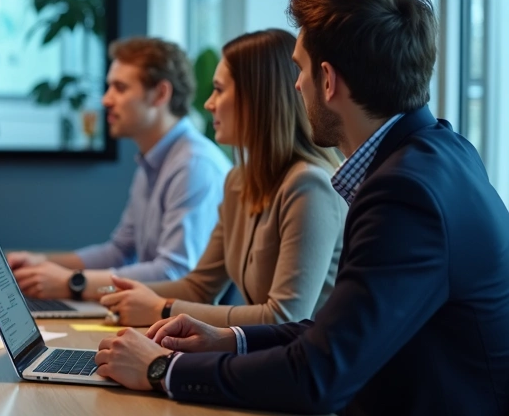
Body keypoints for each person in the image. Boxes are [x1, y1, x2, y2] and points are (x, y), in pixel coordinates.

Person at [93, 0, 509, 416]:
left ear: (328, 81)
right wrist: (229, 339)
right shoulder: (440, 151)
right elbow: (337, 328)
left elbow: (319, 374)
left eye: (301, 69)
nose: (295, 85)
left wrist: (165, 370)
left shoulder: (404, 191)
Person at [97, 29, 346, 327]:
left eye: (219, 90)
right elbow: (198, 287)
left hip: (306, 368)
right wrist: (113, 292)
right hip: (263, 358)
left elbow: (284, 317)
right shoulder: (238, 181)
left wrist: (163, 309)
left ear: (257, 98)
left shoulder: (309, 185)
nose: (209, 103)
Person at [6, 37, 231, 297]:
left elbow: (175, 273)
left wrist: (72, 282)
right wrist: (43, 264)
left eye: (120, 88)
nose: (106, 100)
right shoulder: (154, 159)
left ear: (160, 94)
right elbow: (120, 251)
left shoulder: (194, 166)